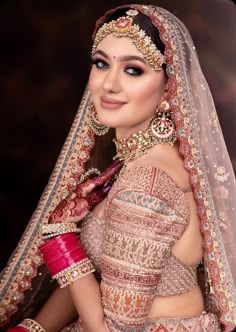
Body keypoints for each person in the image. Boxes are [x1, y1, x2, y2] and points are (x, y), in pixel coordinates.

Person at [1, 4, 236, 332]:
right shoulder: (135, 164)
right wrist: (34, 328)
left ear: (169, 87)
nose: (109, 84)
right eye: (101, 64)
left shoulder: (147, 183)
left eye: (133, 69)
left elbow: (113, 328)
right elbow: (97, 279)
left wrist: (61, 244)